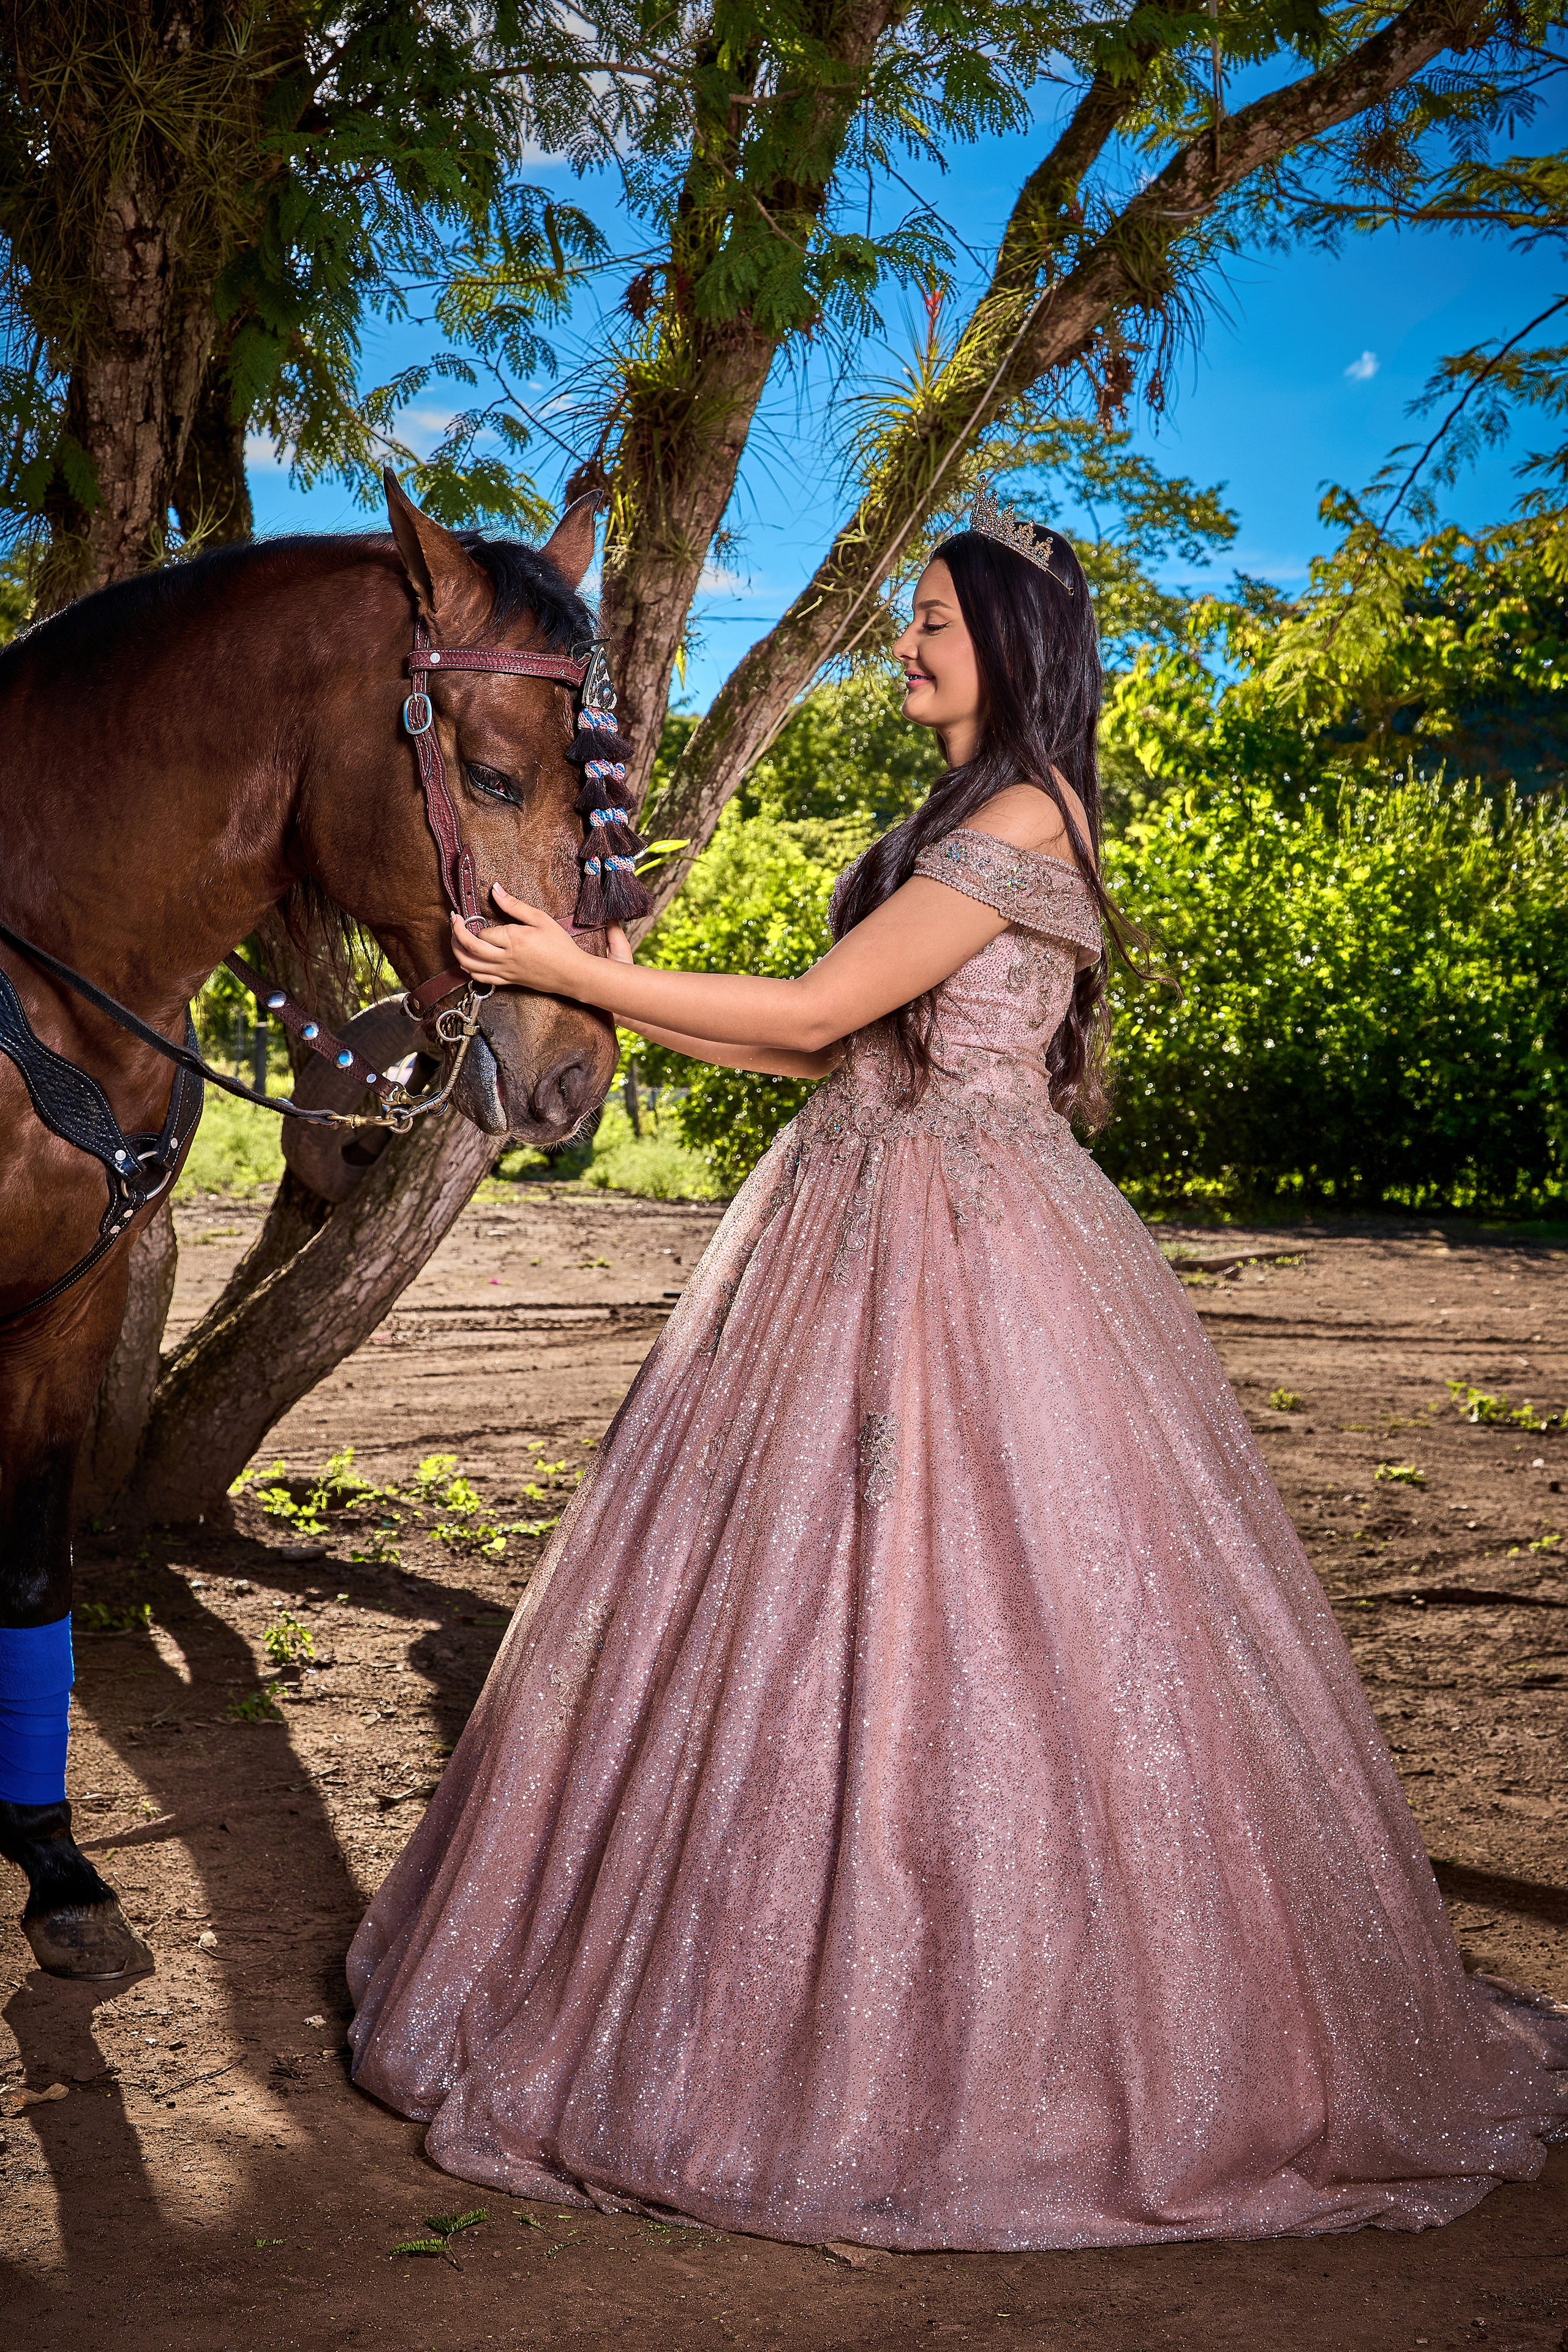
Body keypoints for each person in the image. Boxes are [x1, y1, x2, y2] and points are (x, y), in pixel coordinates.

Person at [347, 485, 1567, 2250]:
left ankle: (998, 2057)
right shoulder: (964, 808)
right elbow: (818, 1054)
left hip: (985, 1257)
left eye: (930, 618)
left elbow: (828, 1012)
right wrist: (610, 986)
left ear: (1010, 643)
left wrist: (558, 956)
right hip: (861, 1209)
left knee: (1002, 1624)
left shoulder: (1026, 814)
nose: (904, 643)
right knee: (804, 1621)